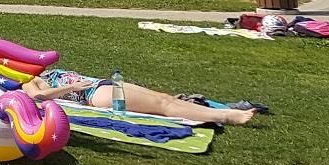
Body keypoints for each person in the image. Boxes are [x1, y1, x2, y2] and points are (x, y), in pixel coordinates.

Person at [22, 68, 255, 125]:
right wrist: (74, 88)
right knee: (162, 104)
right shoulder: (27, 82)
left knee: (164, 98)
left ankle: (221, 113)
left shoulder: (46, 71)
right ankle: (226, 116)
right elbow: (40, 97)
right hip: (95, 93)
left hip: (102, 85)